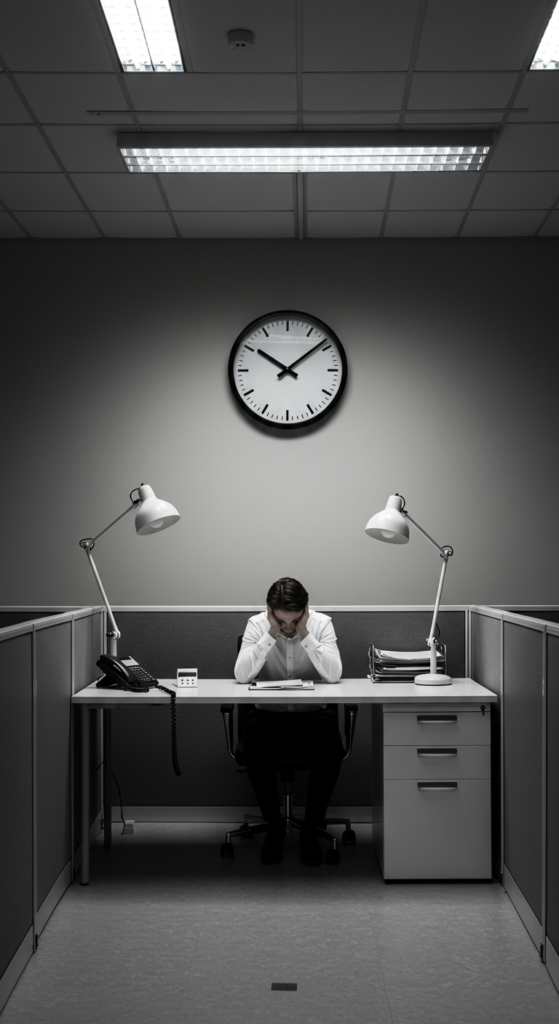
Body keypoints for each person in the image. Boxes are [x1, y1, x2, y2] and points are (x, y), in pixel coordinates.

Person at [234, 577, 343, 866]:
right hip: (268, 714)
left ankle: (310, 832)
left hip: (313, 714)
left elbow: (333, 674)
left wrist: (306, 634)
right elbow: (242, 675)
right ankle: (273, 830)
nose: (288, 628)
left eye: (294, 620)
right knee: (256, 749)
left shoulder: (321, 624)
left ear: (305, 611)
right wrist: (270, 634)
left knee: (329, 750)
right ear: (270, 612)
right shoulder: (258, 625)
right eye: (282, 620)